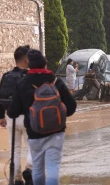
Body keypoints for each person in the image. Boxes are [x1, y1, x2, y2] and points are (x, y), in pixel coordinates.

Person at [8, 49, 77, 185]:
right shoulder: (56, 81)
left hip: (34, 133)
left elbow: (13, 112)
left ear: (30, 65)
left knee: (38, 169)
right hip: (56, 133)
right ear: (45, 64)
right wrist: (61, 115)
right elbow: (72, 106)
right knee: (52, 167)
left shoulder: (22, 84)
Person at [0, 45, 33, 185]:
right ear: (26, 60)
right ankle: (29, 170)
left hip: (11, 118)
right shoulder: (31, 77)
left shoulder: (6, 76)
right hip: (28, 118)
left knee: (15, 149)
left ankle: (17, 178)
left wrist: (1, 116)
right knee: (32, 147)